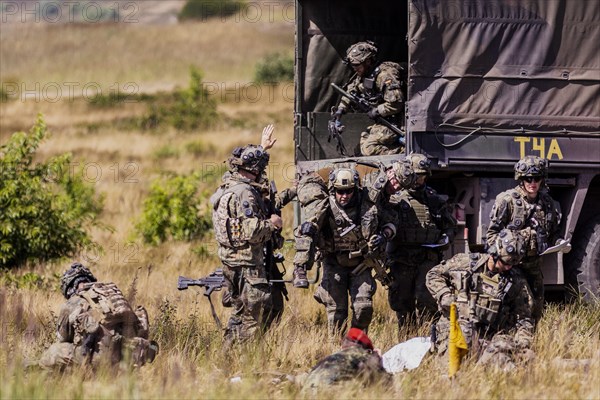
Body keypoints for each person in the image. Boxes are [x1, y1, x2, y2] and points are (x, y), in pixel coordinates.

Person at [293, 165, 397, 334]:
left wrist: (385, 234)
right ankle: (335, 346)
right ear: (333, 190)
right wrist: (301, 267)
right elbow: (306, 231)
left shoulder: (368, 203)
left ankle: (357, 344)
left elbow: (392, 220)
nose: (344, 196)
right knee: (336, 312)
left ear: (355, 189)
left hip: (361, 263)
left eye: (348, 191)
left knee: (363, 308)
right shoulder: (325, 206)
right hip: (334, 263)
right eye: (340, 191)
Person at [210, 125, 284, 345]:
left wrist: (262, 147)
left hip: (230, 263)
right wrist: (272, 223)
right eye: (260, 169)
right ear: (255, 169)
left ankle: (226, 355)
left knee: (238, 314)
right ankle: (246, 364)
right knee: (253, 318)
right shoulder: (245, 193)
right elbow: (251, 231)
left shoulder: (227, 184)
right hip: (248, 265)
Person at [426, 229, 535, 371]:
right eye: (505, 263)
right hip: (456, 330)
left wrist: (523, 342)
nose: (508, 267)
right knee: (453, 366)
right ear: (494, 253)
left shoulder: (515, 281)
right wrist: (444, 295)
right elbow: (433, 274)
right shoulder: (465, 263)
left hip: (489, 339)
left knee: (510, 366)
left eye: (512, 264)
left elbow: (524, 319)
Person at [37, 263, 158, 370]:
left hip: (99, 358)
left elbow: (63, 338)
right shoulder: (110, 294)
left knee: (53, 351)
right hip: (128, 356)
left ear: (69, 287)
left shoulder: (73, 301)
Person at [386, 153, 457, 330]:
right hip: (401, 259)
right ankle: (406, 341)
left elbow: (450, 226)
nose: (419, 179)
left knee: (428, 303)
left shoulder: (434, 199)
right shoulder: (395, 198)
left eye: (422, 175)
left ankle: (427, 342)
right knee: (403, 303)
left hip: (427, 258)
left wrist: (446, 238)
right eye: (416, 175)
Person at [487, 155, 562, 322]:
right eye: (528, 178)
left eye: (537, 178)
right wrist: (500, 259)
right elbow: (491, 235)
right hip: (511, 268)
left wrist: (559, 243)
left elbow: (553, 232)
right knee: (513, 312)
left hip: (534, 268)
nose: (532, 182)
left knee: (535, 310)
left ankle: (532, 346)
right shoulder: (507, 200)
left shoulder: (547, 203)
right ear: (521, 179)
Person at [329, 41, 406, 156]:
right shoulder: (364, 75)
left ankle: (404, 153)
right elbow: (351, 92)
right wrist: (340, 110)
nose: (355, 69)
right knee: (360, 148)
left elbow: (397, 103)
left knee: (368, 149)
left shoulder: (384, 75)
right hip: (385, 121)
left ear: (368, 61)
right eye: (353, 65)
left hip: (398, 123)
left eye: (357, 65)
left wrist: (377, 110)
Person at [301, 328, 390, 390]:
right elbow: (387, 383)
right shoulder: (362, 356)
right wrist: (377, 360)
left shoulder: (329, 358)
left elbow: (304, 377)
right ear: (366, 349)